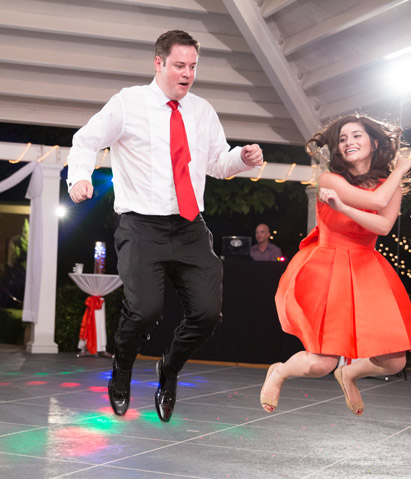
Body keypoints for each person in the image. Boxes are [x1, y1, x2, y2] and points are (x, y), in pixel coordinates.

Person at [67, 30, 264, 422]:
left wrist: (241, 157)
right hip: (141, 226)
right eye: (179, 65)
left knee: (207, 313)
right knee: (144, 311)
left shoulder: (202, 111)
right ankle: (121, 368)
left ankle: (168, 369)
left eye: (192, 67)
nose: (187, 74)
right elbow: (86, 140)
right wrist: (78, 179)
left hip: (190, 227)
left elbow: (216, 164)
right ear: (158, 63)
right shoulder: (129, 103)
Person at [260, 115, 411, 416]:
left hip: (366, 270)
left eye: (356, 136)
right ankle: (279, 372)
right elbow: (376, 202)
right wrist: (400, 170)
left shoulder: (388, 184)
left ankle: (350, 374)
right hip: (328, 267)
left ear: (373, 142)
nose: (348, 143)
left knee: (394, 361)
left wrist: (391, 178)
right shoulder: (330, 180)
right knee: (321, 363)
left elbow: (383, 225)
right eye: (343, 139)